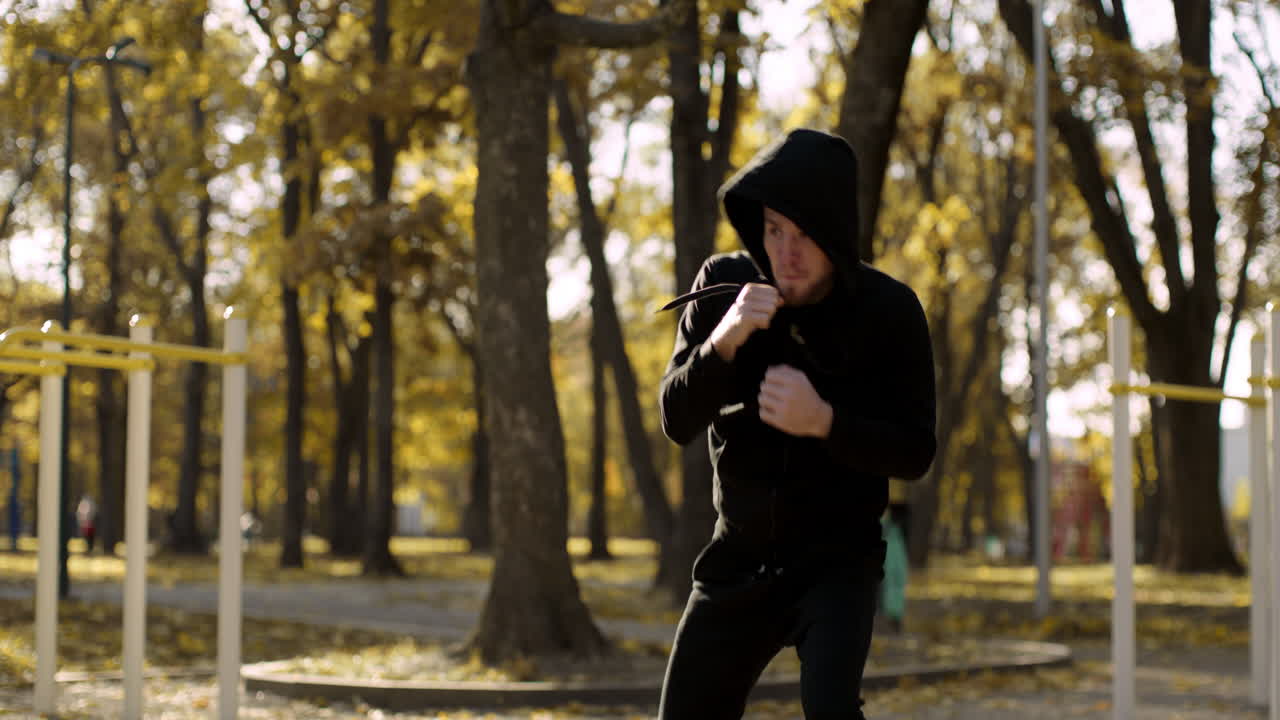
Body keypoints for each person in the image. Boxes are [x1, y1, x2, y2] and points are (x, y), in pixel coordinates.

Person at [656, 128, 937, 719]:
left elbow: (915, 450)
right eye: (775, 229)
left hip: (837, 564)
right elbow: (676, 418)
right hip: (737, 558)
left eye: (805, 235)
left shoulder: (889, 311)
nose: (785, 252)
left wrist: (826, 422)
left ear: (835, 233)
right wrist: (726, 339)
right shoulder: (723, 286)